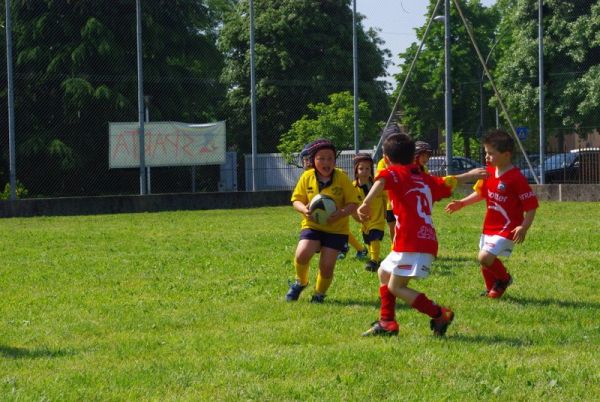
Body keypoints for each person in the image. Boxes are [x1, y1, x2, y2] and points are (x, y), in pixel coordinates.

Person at [357, 132, 458, 337]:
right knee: (384, 273)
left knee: (396, 287)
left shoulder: (394, 173)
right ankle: (387, 322)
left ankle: (440, 313)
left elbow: (382, 181)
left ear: (385, 159)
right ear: (413, 156)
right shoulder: (423, 177)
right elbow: (444, 184)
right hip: (417, 240)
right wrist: (470, 175)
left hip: (413, 242)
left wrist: (366, 203)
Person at [445, 129, 538, 298]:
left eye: (491, 153)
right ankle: (492, 290)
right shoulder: (488, 172)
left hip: (508, 227)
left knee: (484, 257)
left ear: (506, 155)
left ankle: (504, 278)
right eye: (485, 153)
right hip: (490, 226)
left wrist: (523, 227)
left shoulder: (516, 178)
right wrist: (462, 203)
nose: (486, 157)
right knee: (485, 261)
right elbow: (481, 193)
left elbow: (531, 206)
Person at [286, 139, 360, 303]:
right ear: (313, 160)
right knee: (302, 255)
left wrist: (341, 213)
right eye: (321, 158)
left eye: (330, 158)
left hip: (336, 229)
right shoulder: (307, 177)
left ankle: (319, 294)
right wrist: (304, 210)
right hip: (312, 225)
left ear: (335, 160)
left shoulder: (341, 177)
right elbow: (296, 200)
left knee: (326, 267)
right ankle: (301, 282)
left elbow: (353, 203)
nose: (326, 162)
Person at [352, 153, 386, 272]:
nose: (365, 171)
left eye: (368, 168)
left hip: (377, 218)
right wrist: (357, 216)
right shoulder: (353, 187)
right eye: (361, 168)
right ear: (356, 171)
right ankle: (374, 256)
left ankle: (374, 261)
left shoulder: (377, 184)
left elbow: (384, 197)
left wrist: (386, 211)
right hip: (365, 221)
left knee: (374, 236)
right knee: (368, 239)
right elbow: (352, 204)